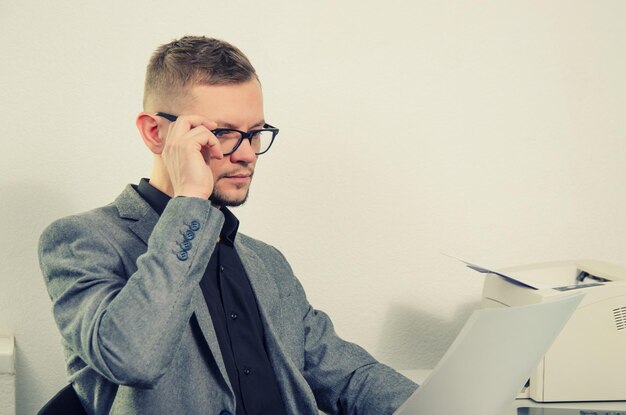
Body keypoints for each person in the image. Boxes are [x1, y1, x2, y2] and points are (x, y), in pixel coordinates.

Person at [38, 35, 417, 415]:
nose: (248, 154)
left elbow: (349, 376)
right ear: (156, 133)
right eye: (222, 133)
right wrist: (190, 200)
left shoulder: (266, 262)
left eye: (255, 133)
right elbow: (134, 357)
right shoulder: (81, 240)